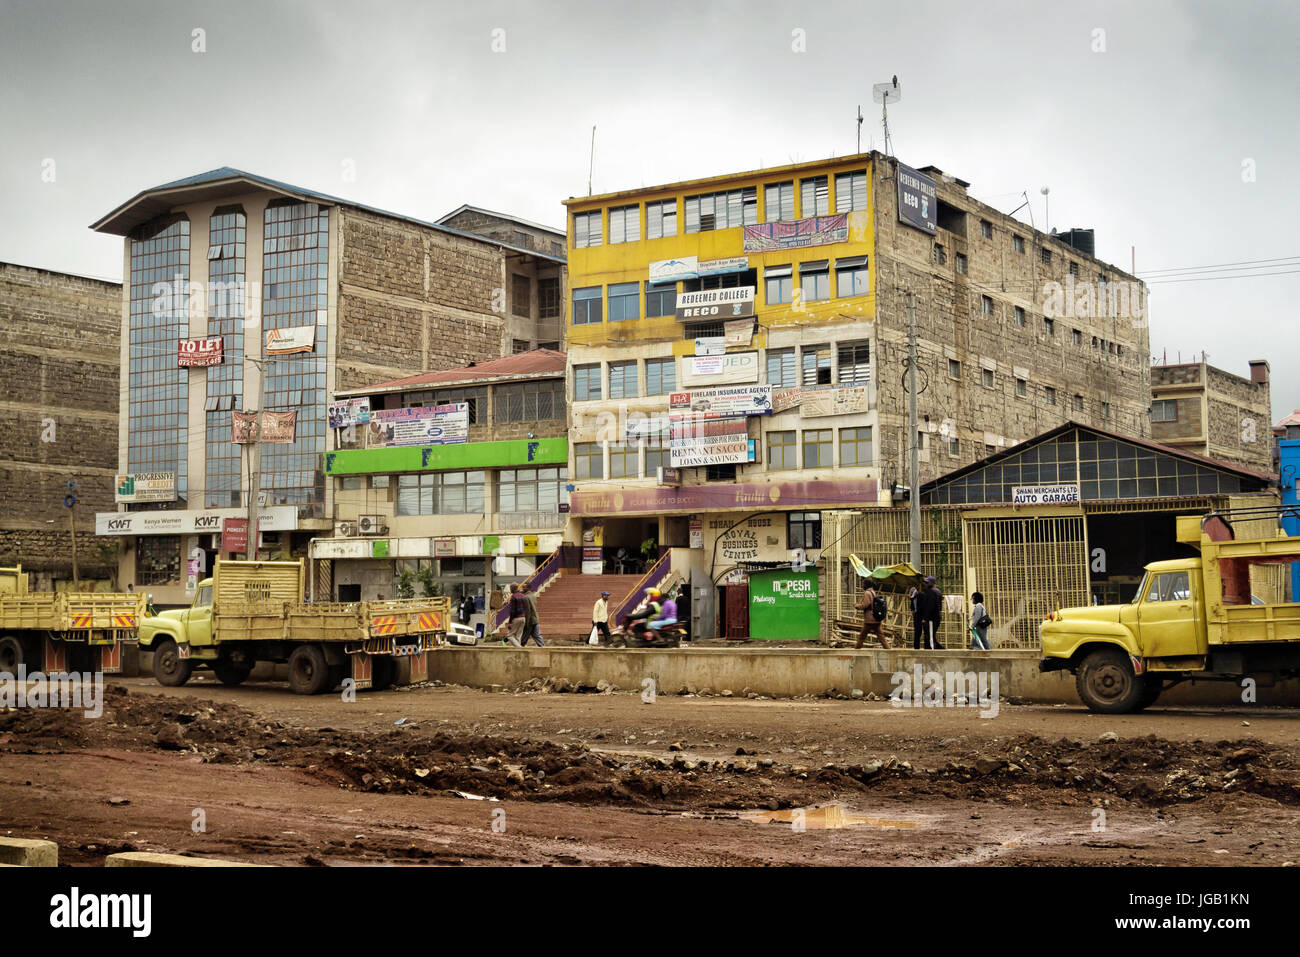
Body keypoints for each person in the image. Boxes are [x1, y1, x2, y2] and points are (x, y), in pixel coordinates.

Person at [854, 581, 889, 649]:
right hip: (876, 618)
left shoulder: (867, 593)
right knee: (881, 637)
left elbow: (865, 605)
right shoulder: (873, 592)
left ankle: (856, 651)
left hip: (870, 619)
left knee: (862, 636)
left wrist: (857, 606)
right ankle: (888, 650)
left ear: (866, 585)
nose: (862, 585)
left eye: (863, 584)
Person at [913, 576, 943, 650]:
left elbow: (930, 606)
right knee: (930, 635)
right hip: (934, 617)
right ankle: (936, 648)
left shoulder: (931, 592)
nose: (925, 584)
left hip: (932, 618)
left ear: (932, 583)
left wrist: (925, 618)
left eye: (927, 582)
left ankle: (932, 650)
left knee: (930, 636)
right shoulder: (936, 591)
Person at [518, 582, 546, 647]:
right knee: (537, 635)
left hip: (530, 620)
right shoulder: (533, 595)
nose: (522, 588)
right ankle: (543, 647)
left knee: (525, 636)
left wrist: (526, 622)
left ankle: (521, 647)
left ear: (528, 588)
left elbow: (527, 611)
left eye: (524, 587)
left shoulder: (526, 598)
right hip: (535, 619)